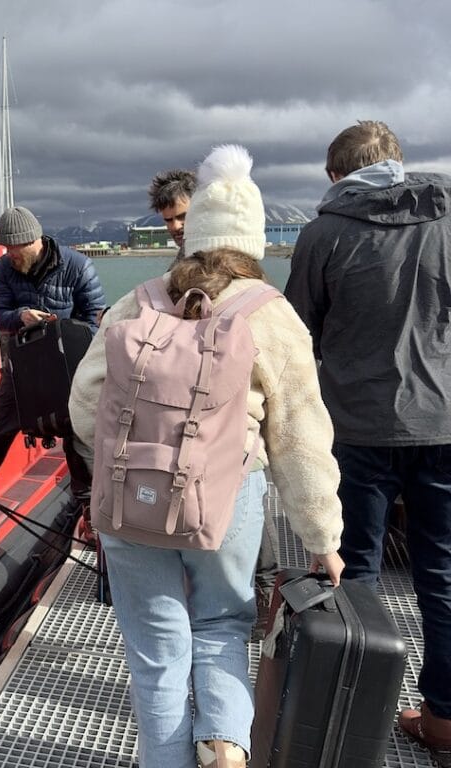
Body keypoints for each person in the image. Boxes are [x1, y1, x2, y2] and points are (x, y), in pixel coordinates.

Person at [70, 145, 345, 768]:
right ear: (251, 238)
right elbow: (301, 439)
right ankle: (223, 751)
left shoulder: (137, 301)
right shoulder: (271, 316)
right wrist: (323, 537)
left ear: (191, 233)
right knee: (221, 628)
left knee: (157, 649)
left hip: (129, 498)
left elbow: (85, 407)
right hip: (226, 498)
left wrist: (137, 458)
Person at [285, 120, 451, 753]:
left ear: (336, 176)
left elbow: (298, 332)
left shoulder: (323, 232)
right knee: (441, 571)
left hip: (356, 423)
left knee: (353, 569)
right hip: (441, 420)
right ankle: (442, 718)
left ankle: (345, 721)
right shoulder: (444, 218)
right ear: (399, 163)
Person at [0, 206, 105, 540]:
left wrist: (61, 332)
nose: (9, 254)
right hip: (22, 360)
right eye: (5, 248)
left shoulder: (78, 267)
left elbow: (95, 320)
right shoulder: (1, 269)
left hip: (69, 362)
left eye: (14, 247)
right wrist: (21, 316)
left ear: (33, 240)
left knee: (77, 433)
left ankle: (90, 514)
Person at [148, 168, 197, 252]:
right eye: (169, 220)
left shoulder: (219, 261)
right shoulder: (186, 256)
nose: (175, 226)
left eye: (183, 217)